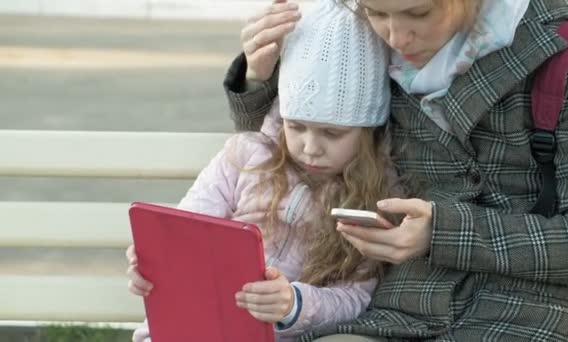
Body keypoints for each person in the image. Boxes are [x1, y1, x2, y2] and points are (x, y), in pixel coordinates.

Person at [224, 0, 568, 340]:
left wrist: (440, 232)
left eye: (419, 13)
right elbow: (295, 159)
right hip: (399, 305)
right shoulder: (367, 40)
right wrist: (260, 75)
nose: (397, 37)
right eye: (376, 12)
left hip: (536, 309)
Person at [125, 1, 411, 341]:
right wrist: (157, 259)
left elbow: (356, 296)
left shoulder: (378, 193)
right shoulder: (247, 155)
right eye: (297, 126)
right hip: (192, 325)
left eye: (333, 133)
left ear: (369, 130)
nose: (310, 146)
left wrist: (294, 303)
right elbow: (188, 226)